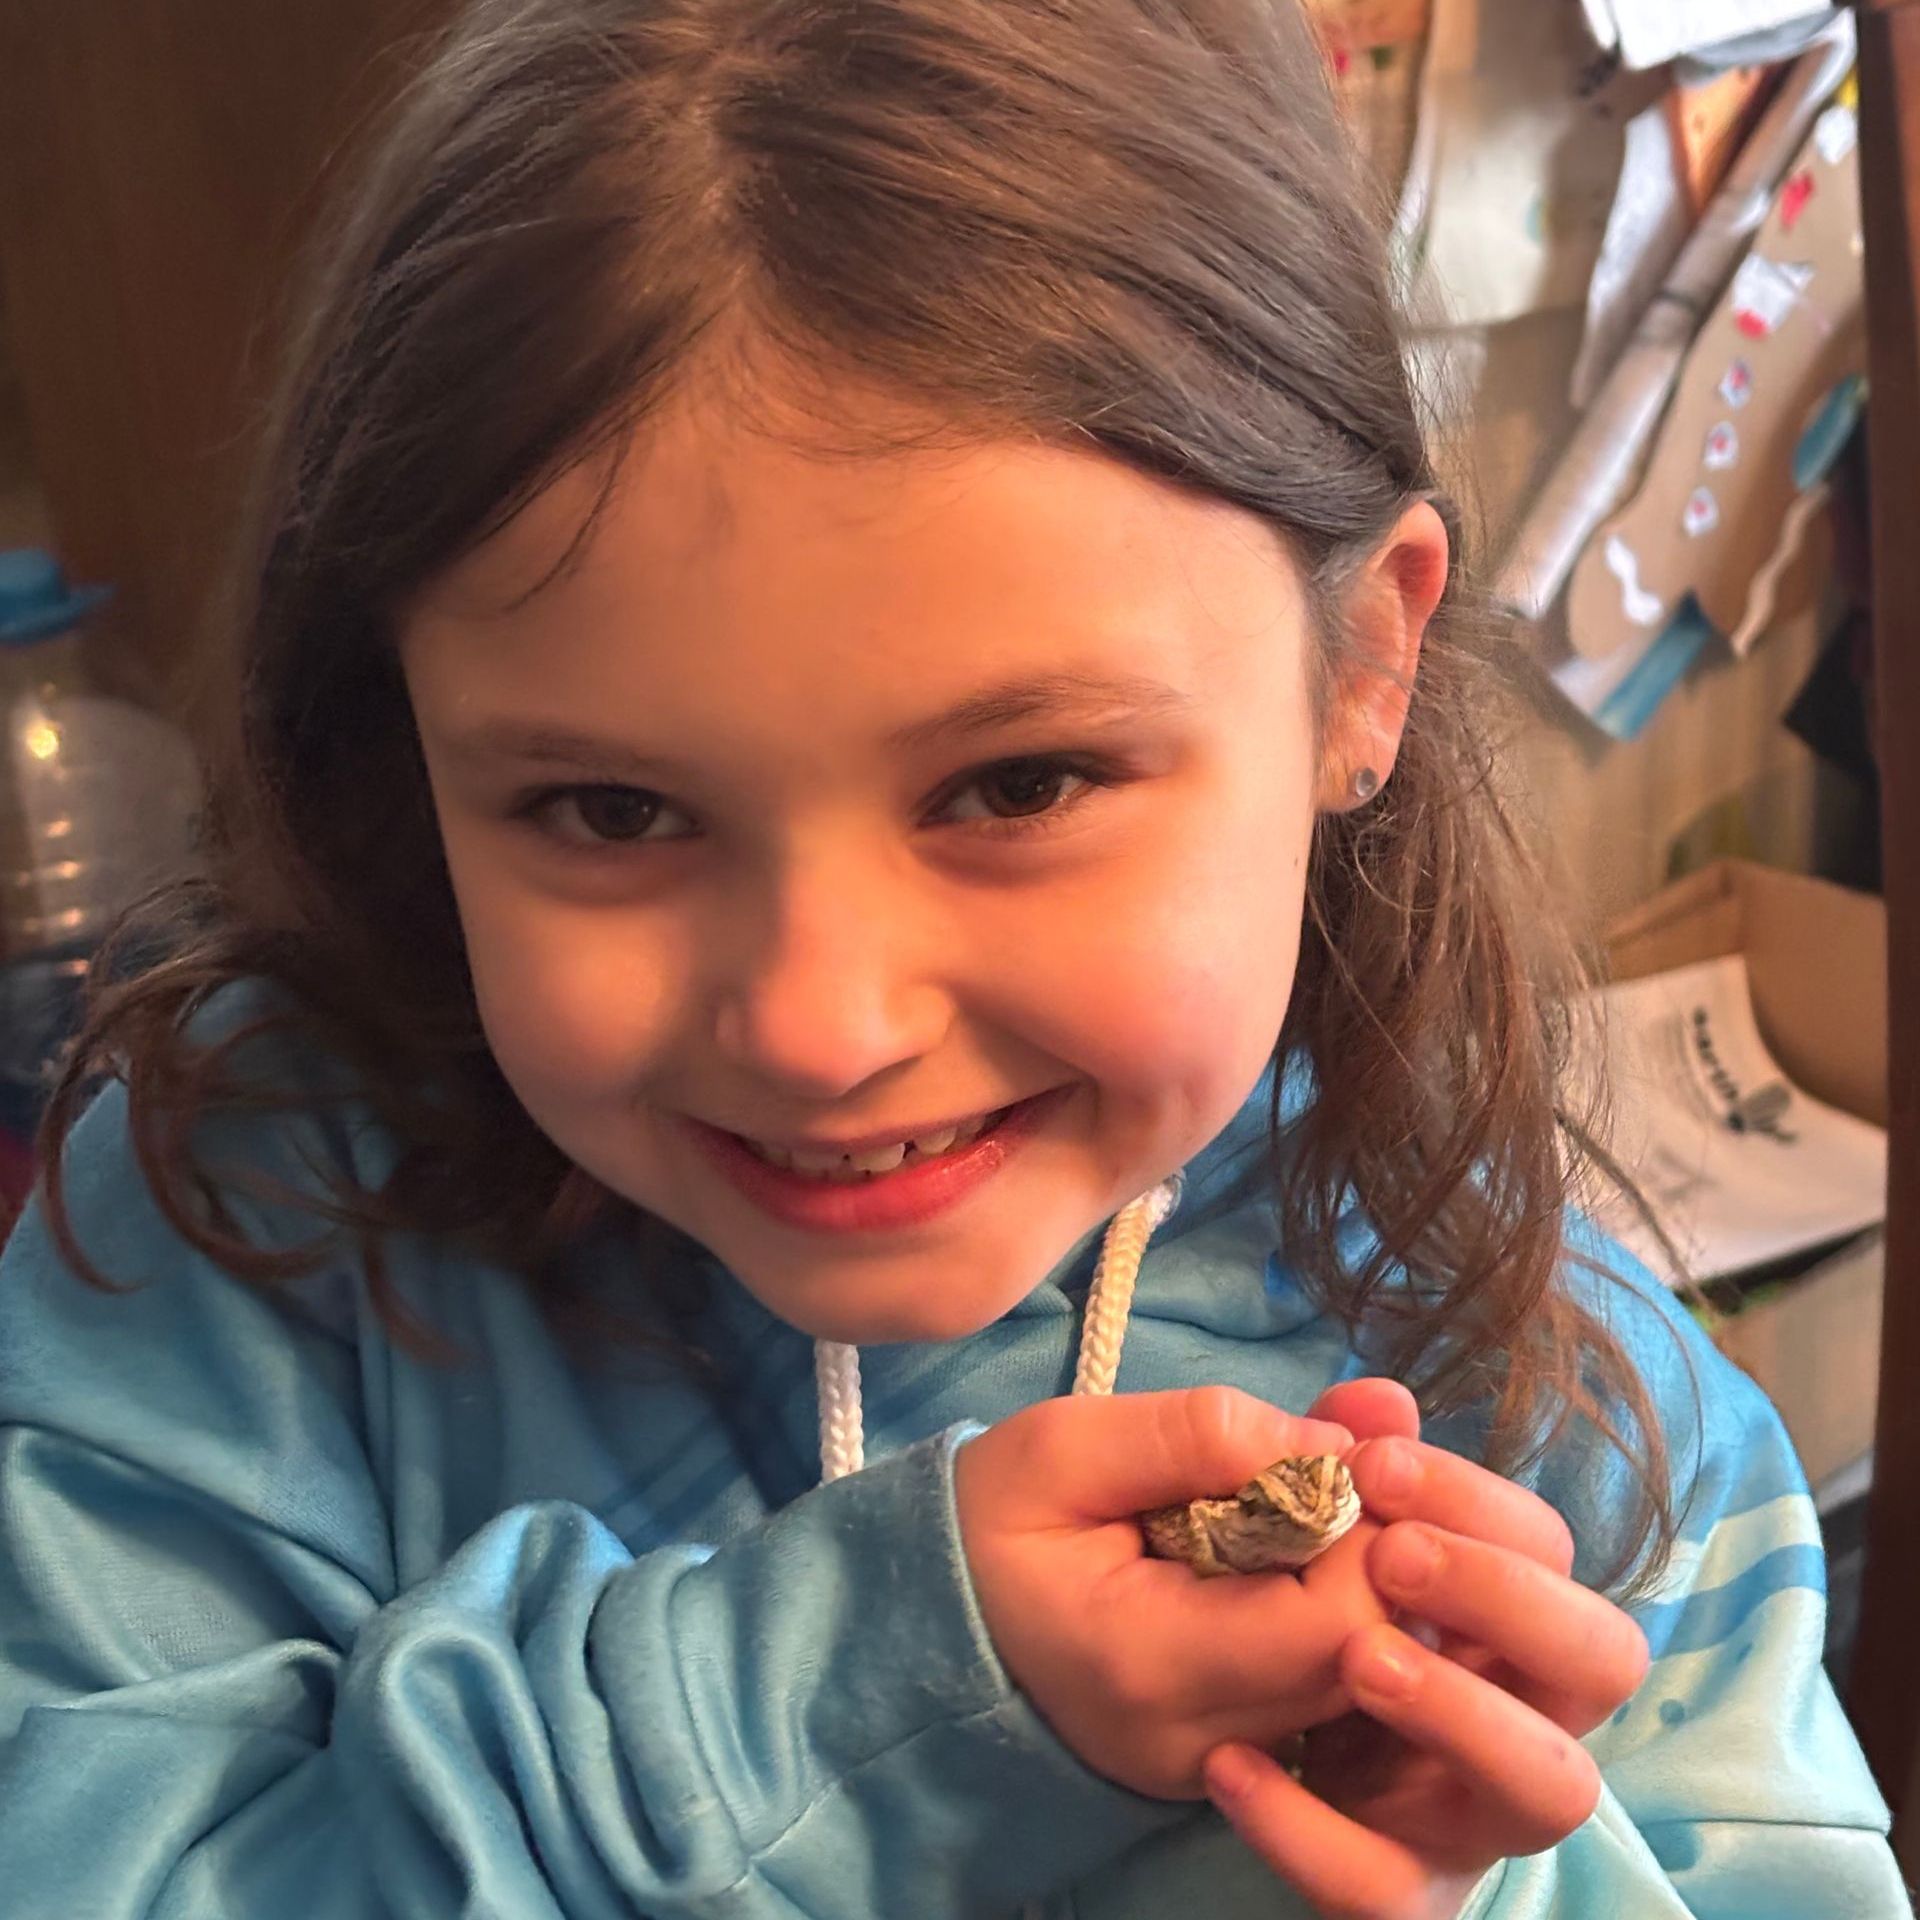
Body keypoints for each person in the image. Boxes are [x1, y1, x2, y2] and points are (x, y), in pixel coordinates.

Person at [0, 1, 1902, 1914]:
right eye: (608, 811)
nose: (823, 1030)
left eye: (1020, 782)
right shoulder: (243, 1222)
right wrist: (852, 1699)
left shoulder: (1561, 1406)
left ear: (1366, 667)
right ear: (400, 728)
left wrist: (1474, 1876)